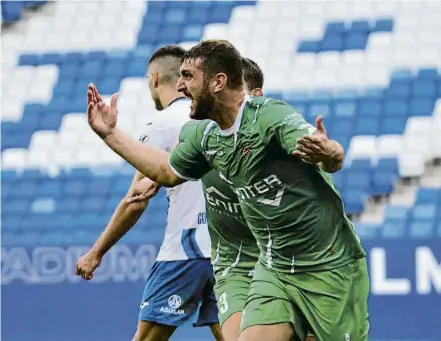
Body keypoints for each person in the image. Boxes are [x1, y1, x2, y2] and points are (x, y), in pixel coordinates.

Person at [86, 40, 369, 341]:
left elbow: (331, 155)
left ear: (218, 82)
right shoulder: (201, 134)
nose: (179, 87)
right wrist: (111, 134)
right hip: (272, 267)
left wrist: (329, 152)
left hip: (327, 263)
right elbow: (165, 172)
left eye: (188, 77)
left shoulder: (268, 117)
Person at [128, 57, 316, 341]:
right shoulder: (204, 130)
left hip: (195, 250)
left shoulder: (267, 131)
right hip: (230, 255)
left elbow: (142, 192)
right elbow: (170, 170)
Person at [76, 45, 223, 341]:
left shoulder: (164, 123)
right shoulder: (218, 118)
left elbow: (137, 199)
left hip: (187, 250)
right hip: (226, 248)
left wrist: (96, 252)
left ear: (155, 78)